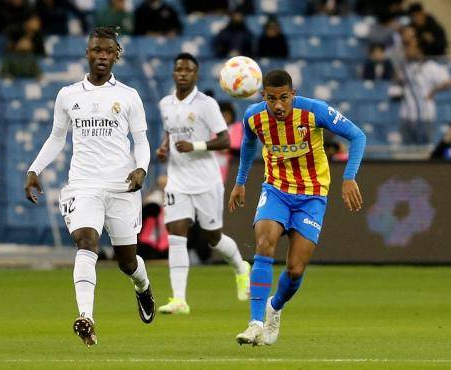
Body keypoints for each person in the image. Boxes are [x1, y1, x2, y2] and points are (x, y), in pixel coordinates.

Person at [24, 27, 155, 347]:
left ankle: (143, 286)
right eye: (97, 50)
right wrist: (34, 169)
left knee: (127, 261)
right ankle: (86, 317)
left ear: (116, 55)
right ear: (87, 53)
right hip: (83, 184)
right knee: (86, 242)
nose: (102, 56)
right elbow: (57, 137)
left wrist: (141, 168)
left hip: (121, 187)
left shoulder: (128, 96)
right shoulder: (69, 95)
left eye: (108, 51)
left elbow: (141, 141)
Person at [229, 70, 366, 346]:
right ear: (263, 96)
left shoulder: (315, 111)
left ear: (293, 94)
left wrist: (349, 176)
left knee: (295, 270)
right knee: (264, 243)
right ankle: (255, 323)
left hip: (312, 195)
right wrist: (240, 182)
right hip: (276, 190)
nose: (278, 105)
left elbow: (357, 135)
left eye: (283, 98)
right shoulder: (254, 117)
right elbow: (247, 144)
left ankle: (274, 307)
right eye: (271, 99)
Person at [156, 53, 250, 314]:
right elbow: (169, 132)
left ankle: (241, 268)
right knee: (176, 235)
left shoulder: (206, 104)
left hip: (206, 181)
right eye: (178, 69)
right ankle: (179, 299)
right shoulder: (165, 104)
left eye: (188, 70)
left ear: (196, 75)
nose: (183, 73)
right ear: (174, 73)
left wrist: (194, 145)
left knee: (213, 238)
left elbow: (225, 140)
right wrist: (164, 148)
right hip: (177, 180)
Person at [399, 37, 451, 144]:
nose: (407, 51)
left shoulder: (433, 67)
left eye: (410, 48)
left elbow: (449, 83)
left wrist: (433, 91)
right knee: (406, 150)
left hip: (425, 115)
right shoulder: (407, 67)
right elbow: (397, 80)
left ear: (419, 50)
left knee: (424, 148)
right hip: (406, 114)